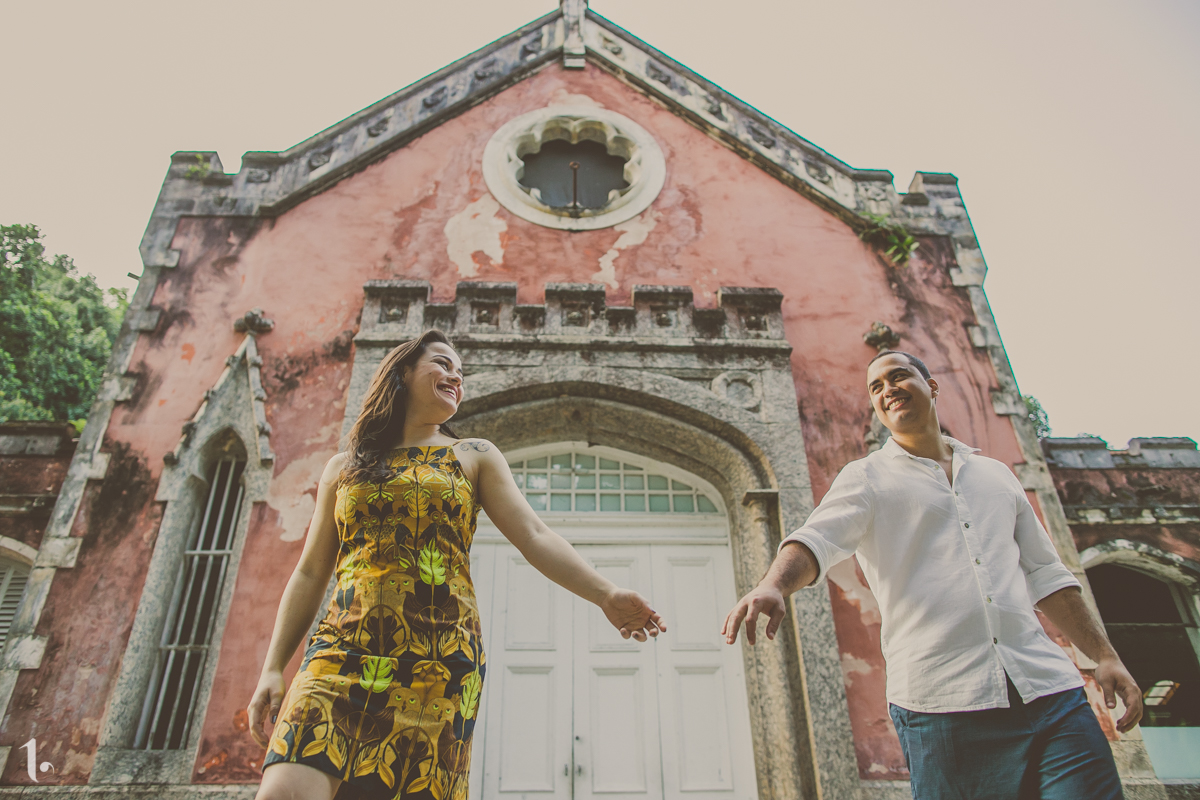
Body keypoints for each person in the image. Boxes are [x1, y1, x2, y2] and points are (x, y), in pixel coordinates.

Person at [248, 329, 665, 800]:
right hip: (340, 651)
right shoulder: (344, 467)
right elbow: (309, 571)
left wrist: (605, 593)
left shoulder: (473, 455)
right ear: (403, 372)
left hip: (439, 657)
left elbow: (534, 535)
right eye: (443, 364)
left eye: (461, 372)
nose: (456, 377)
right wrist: (272, 667)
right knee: (283, 792)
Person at [722, 350, 1142, 800]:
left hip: (1051, 694)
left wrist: (1105, 655)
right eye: (876, 387)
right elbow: (816, 540)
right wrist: (773, 584)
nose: (887, 390)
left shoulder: (996, 475)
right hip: (943, 706)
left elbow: (1046, 574)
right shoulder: (865, 477)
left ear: (931, 386)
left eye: (898, 376)